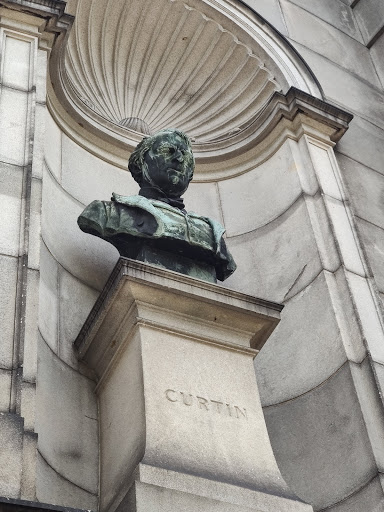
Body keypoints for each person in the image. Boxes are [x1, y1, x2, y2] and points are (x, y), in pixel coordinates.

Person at [78, 129, 236, 282]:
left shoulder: (211, 232)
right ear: (141, 162)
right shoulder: (109, 213)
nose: (179, 158)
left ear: (191, 174)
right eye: (168, 150)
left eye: (185, 154)